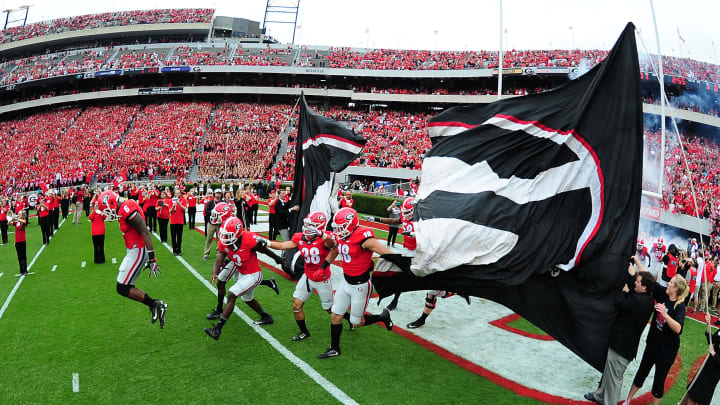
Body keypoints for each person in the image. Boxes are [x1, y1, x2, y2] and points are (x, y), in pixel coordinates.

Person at [317, 207, 395, 359]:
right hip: (346, 282)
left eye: (341, 227)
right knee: (335, 315)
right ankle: (334, 348)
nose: (339, 231)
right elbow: (334, 251)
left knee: (356, 322)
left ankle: (382, 316)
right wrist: (324, 266)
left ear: (351, 224)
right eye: (337, 228)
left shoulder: (364, 238)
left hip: (360, 286)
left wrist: (405, 267)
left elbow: (388, 254)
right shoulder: (342, 236)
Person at [583, 256, 655, 405]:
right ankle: (601, 396)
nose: (635, 282)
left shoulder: (638, 301)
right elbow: (633, 293)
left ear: (645, 287)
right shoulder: (646, 298)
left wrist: (624, 290)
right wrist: (632, 275)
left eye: (638, 281)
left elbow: (620, 302)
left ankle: (609, 402)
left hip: (622, 346)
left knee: (614, 378)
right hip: (622, 344)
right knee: (609, 374)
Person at [96, 190, 167, 328]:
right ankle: (155, 305)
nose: (107, 213)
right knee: (123, 286)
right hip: (133, 251)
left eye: (106, 209)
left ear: (111, 202)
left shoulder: (126, 208)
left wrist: (152, 258)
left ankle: (155, 304)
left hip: (137, 250)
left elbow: (144, 231)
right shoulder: (125, 206)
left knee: (122, 287)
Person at [203, 217, 281, 340]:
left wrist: (278, 258)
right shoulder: (225, 243)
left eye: (228, 235)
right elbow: (218, 261)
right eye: (224, 235)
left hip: (254, 274)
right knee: (248, 299)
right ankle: (266, 316)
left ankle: (217, 329)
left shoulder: (249, 239)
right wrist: (215, 272)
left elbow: (264, 250)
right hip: (243, 273)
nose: (225, 238)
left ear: (238, 232)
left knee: (232, 294)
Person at [267, 211, 340, 341]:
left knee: (330, 309)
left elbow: (332, 245)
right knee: (296, 304)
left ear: (319, 227)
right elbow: (282, 245)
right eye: (306, 224)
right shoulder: (300, 237)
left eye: (311, 225)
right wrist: (265, 242)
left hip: (322, 278)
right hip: (307, 276)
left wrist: (321, 234)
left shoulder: (326, 237)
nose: (306, 227)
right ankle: (304, 331)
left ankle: (347, 318)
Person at [625, 274, 689, 404]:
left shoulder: (679, 306)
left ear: (676, 288)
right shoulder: (663, 295)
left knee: (659, 381)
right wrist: (637, 261)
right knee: (642, 371)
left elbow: (678, 329)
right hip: (653, 344)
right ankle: (628, 400)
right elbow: (648, 279)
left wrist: (666, 315)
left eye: (671, 283)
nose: (668, 284)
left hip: (666, 351)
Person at [683, 316, 720, 405]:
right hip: (707, 366)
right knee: (692, 392)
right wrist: (708, 323)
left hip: (713, 373)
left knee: (697, 397)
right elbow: (711, 340)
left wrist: (713, 353)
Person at [202, 190, 223, 260]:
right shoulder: (210, 202)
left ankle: (218, 253)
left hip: (220, 223)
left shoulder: (222, 203)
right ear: (214, 194)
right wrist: (214, 212)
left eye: (219, 193)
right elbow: (206, 211)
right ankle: (206, 254)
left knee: (219, 239)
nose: (218, 195)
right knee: (209, 238)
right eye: (217, 193)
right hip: (211, 223)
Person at [169, 188, 187, 256]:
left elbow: (184, 209)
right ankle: (174, 250)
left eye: (178, 193)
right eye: (176, 193)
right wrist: (173, 206)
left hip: (180, 221)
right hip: (173, 222)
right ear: (174, 194)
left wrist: (179, 203)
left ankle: (179, 250)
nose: (177, 194)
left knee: (179, 237)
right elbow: (169, 211)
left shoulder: (183, 200)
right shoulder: (171, 201)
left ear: (180, 194)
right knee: (173, 237)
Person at [13, 210, 27, 275]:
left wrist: (17, 218)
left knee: (23, 255)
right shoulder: (16, 222)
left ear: (22, 215)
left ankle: (25, 269)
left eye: (20, 214)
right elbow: (8, 223)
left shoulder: (23, 221)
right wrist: (11, 218)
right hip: (17, 241)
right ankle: (21, 270)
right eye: (18, 214)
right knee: (19, 256)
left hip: (23, 241)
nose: (18, 215)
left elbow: (24, 221)